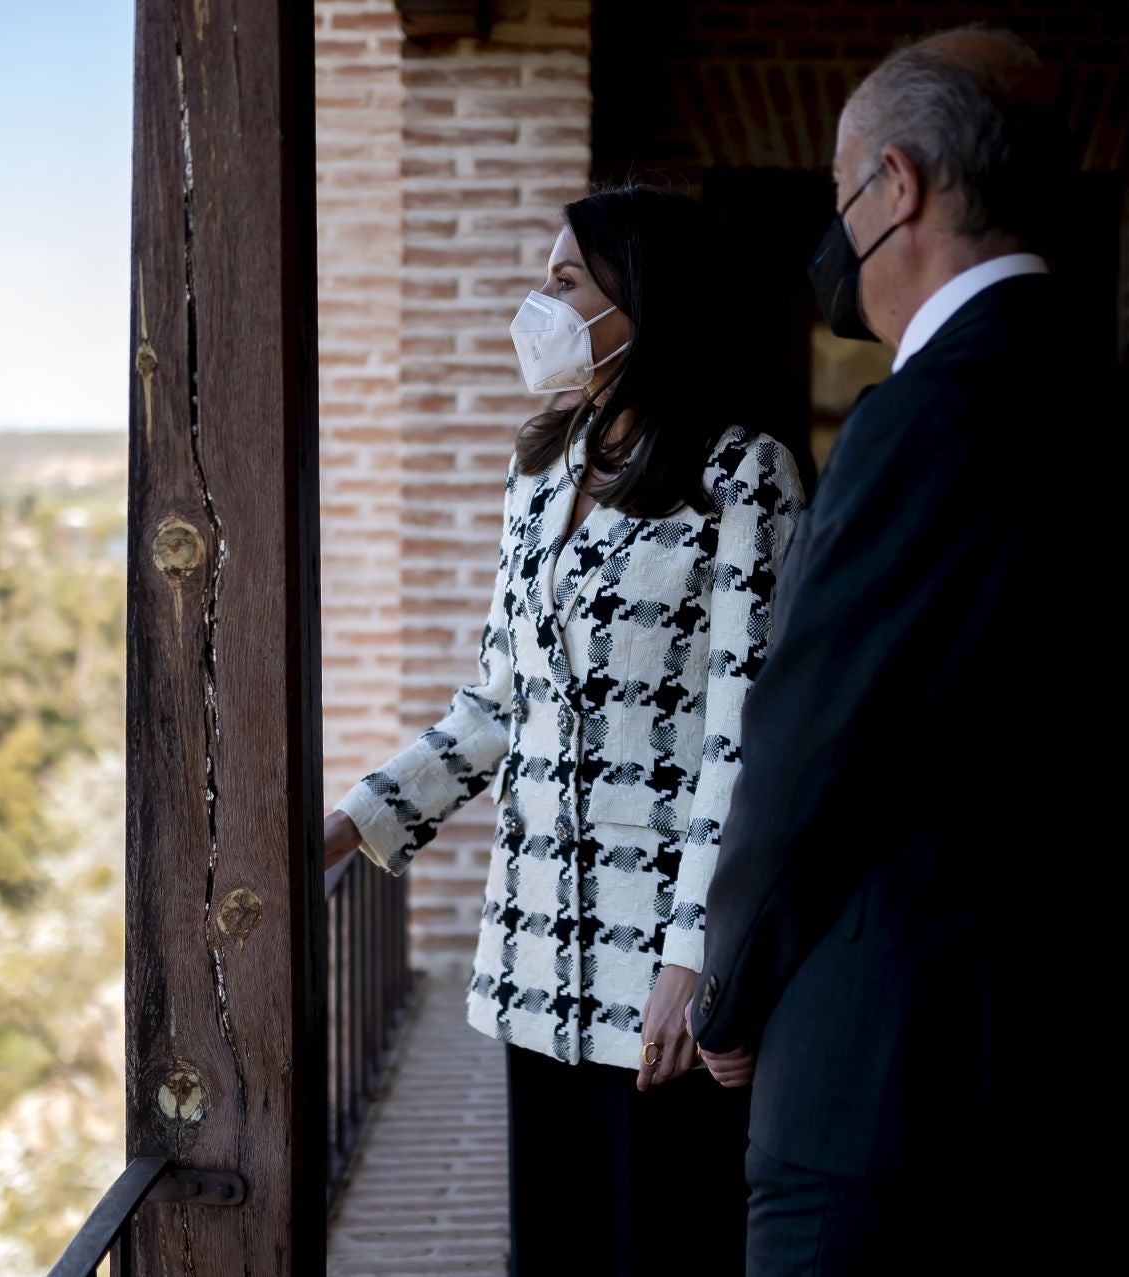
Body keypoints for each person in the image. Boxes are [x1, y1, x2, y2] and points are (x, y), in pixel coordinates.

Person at [687, 29, 1129, 1271]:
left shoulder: (929, 406)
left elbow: (813, 736)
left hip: (884, 1066)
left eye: (842, 197)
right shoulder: (1098, 394)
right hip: (1054, 1034)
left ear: (898, 187)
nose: (837, 242)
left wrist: (727, 982)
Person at [322, 185, 804, 1275]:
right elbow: (496, 703)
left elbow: (744, 737)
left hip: (662, 973)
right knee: (554, 1248)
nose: (537, 302)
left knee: (663, 1246)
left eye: (565, 281)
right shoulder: (537, 472)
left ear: (647, 301)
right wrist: (346, 824)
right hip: (536, 950)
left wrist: (695, 958)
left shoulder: (743, 475)